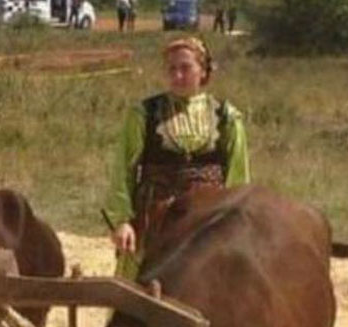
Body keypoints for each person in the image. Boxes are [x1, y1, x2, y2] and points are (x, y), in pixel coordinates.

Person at [103, 37, 250, 278]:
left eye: (185, 68)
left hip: (206, 224)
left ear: (203, 71)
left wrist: (235, 224)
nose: (178, 75)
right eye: (172, 69)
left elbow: (238, 178)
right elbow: (123, 171)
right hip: (153, 223)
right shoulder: (143, 113)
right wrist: (122, 221)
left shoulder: (227, 116)